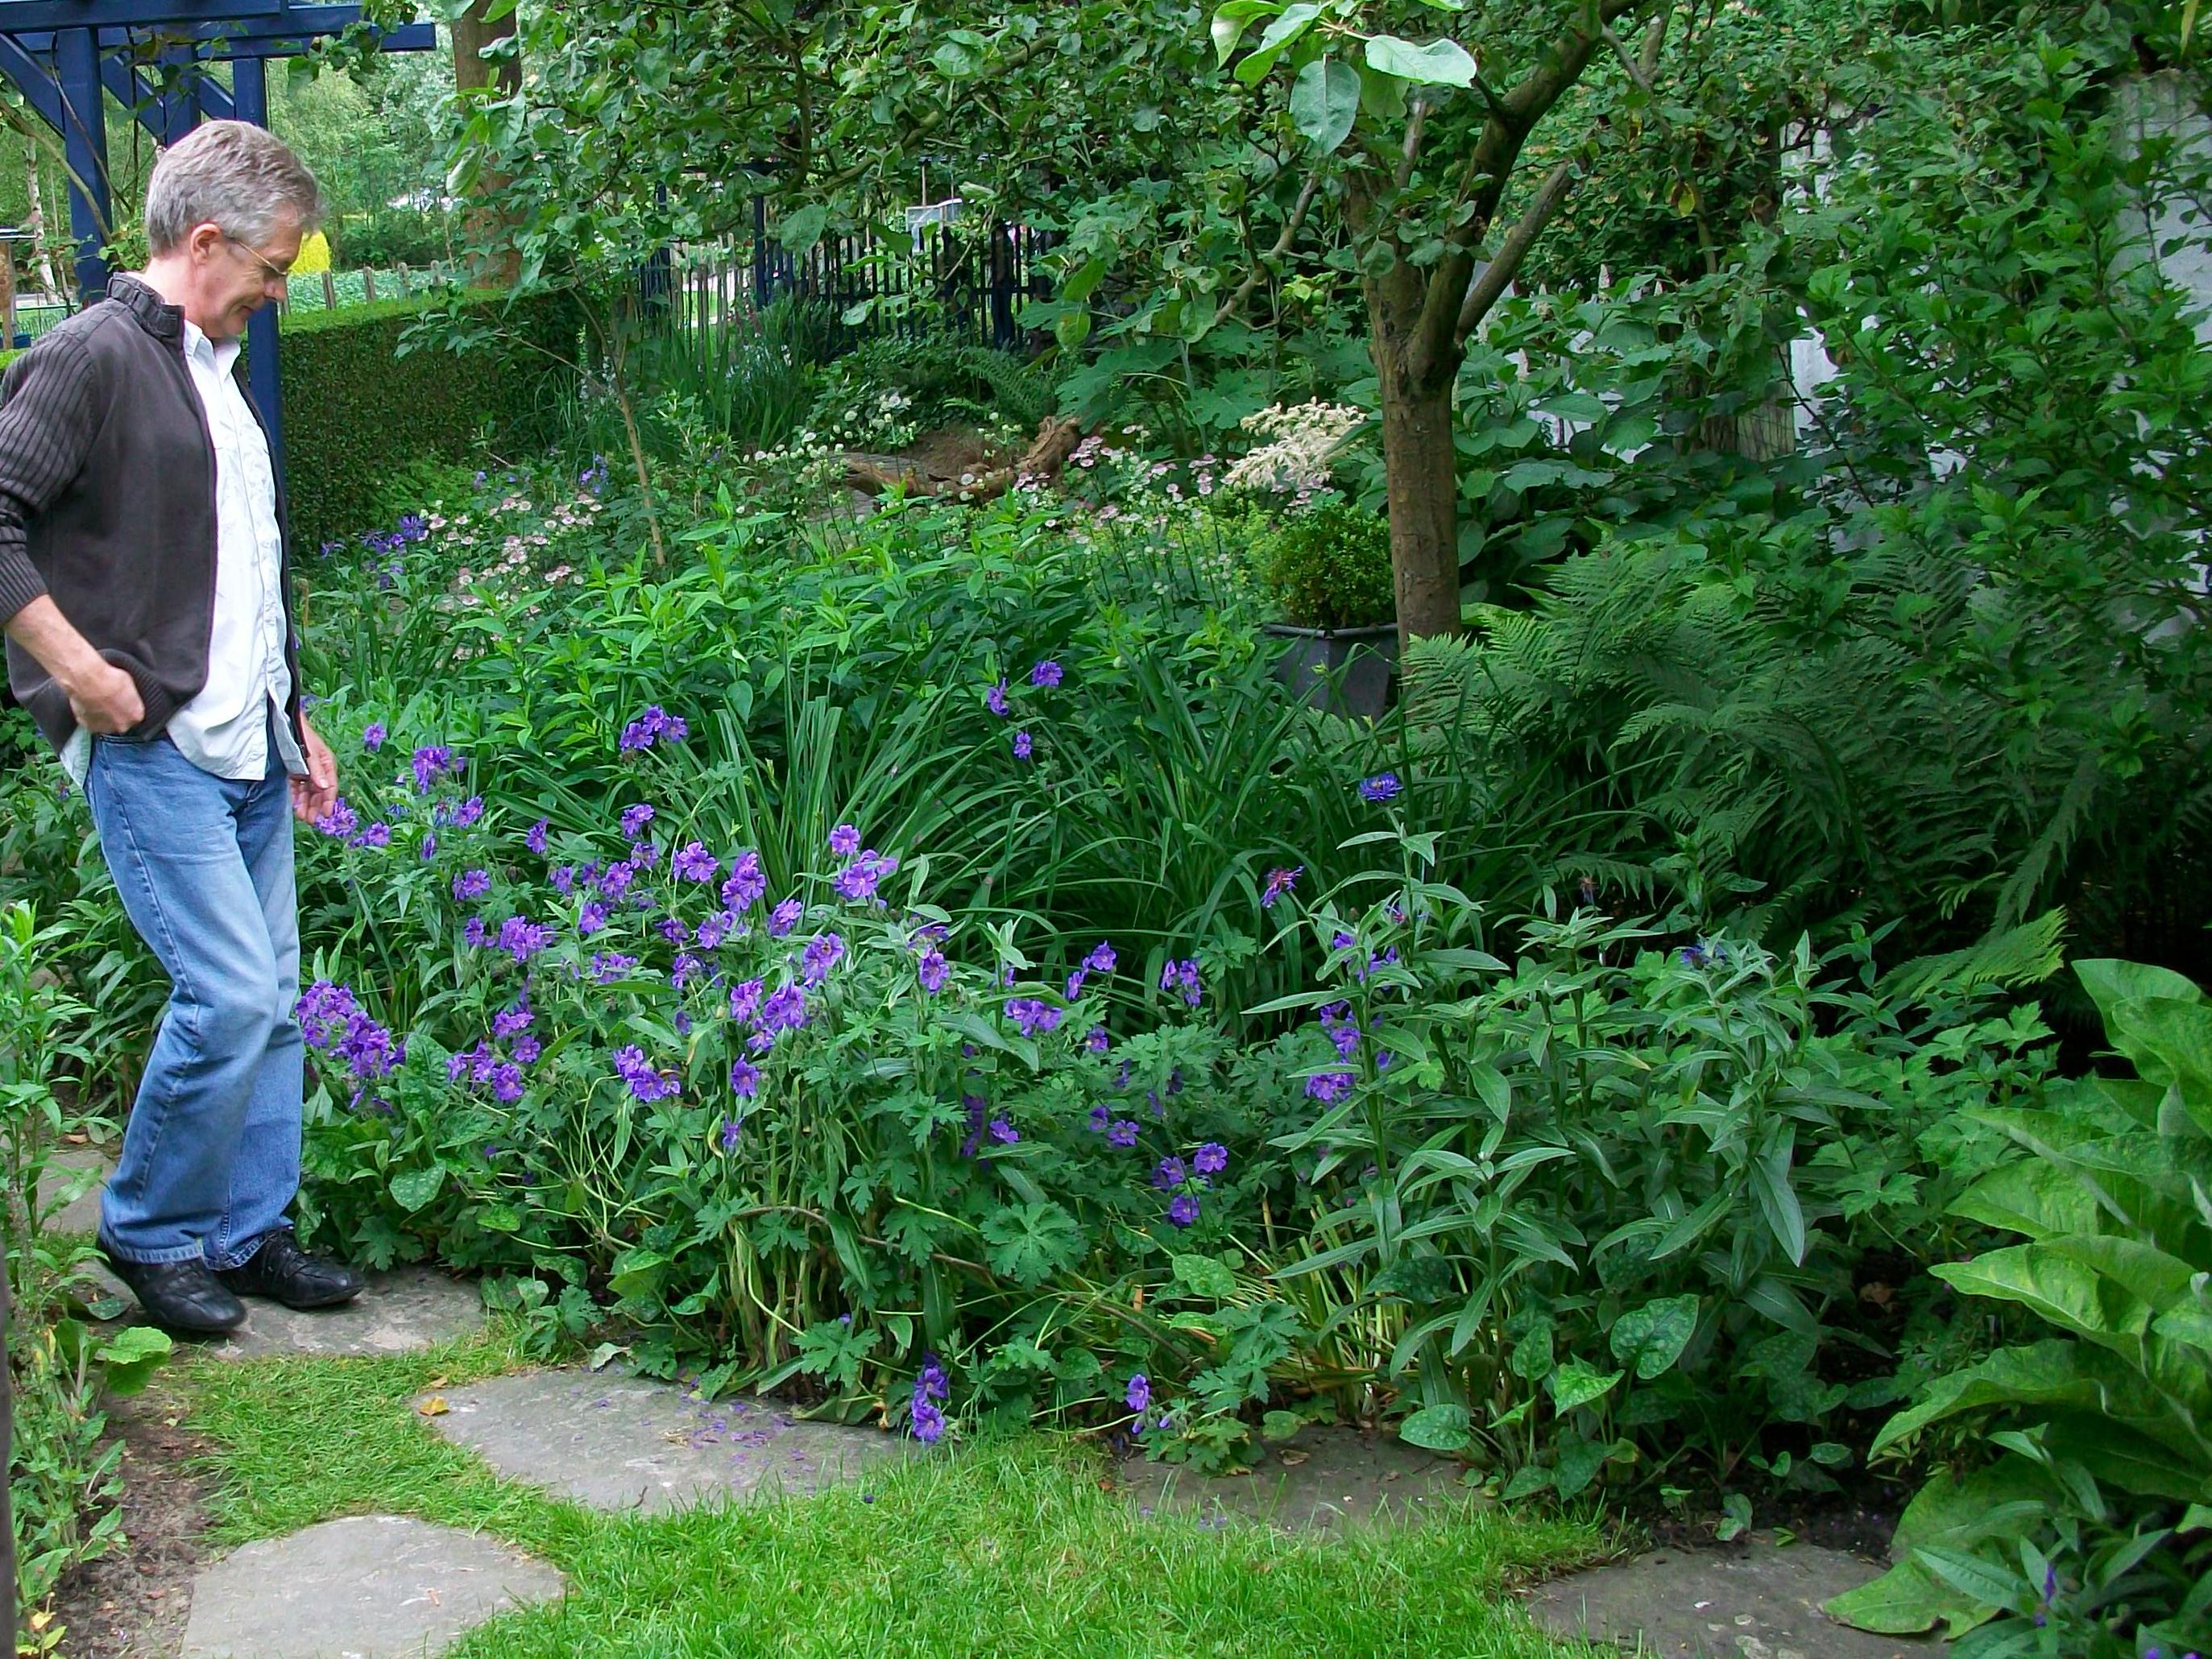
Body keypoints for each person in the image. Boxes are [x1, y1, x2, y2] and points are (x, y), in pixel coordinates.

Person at [0, 121, 365, 1334]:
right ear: (202, 242)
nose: (275, 292)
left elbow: (241, 569)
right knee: (225, 996)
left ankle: (249, 1231)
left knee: (269, 998)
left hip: (247, 748)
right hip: (153, 749)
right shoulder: (92, 356)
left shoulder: (213, 370)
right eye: (269, 268)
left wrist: (291, 716)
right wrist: (80, 673)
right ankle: (151, 1233)